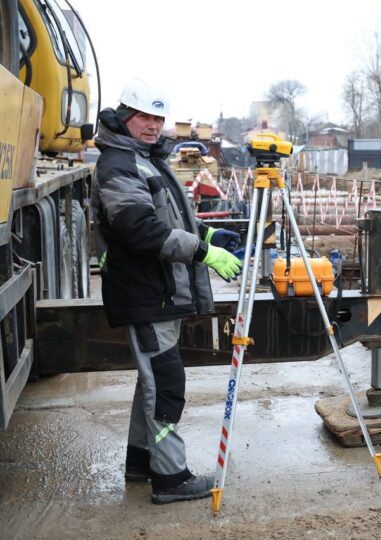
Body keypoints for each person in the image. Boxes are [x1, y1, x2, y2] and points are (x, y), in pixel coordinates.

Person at [91, 78, 242, 505]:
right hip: (144, 292)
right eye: (144, 117)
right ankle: (171, 478)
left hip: (156, 291)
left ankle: (142, 463)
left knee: (152, 383)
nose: (153, 125)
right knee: (166, 384)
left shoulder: (145, 160)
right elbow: (139, 228)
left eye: (158, 118)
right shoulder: (119, 164)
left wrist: (209, 235)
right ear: (125, 117)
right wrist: (202, 253)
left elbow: (169, 217)